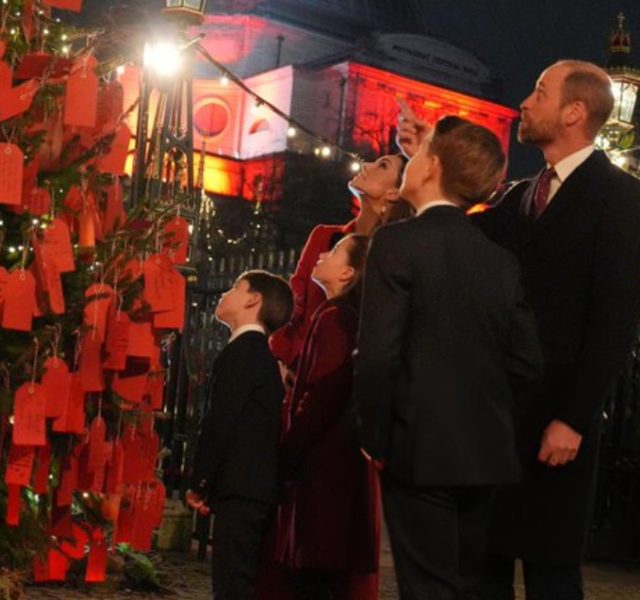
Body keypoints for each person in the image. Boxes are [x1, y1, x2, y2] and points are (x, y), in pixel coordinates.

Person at [399, 60, 640, 600]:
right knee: (482, 568)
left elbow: (614, 320)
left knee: (551, 573)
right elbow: (448, 232)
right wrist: (425, 158)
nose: (525, 104)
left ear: (575, 111)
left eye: (540, 92)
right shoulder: (516, 196)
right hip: (494, 422)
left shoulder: (621, 198)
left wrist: (573, 419)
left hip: (556, 424)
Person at [354, 116, 544, 599]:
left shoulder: (397, 243)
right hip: (486, 452)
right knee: (466, 585)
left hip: (417, 447)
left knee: (426, 587)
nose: (409, 162)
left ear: (431, 166)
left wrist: (376, 438)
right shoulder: (499, 260)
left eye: (418, 155)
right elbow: (526, 363)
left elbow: (378, 355)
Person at [275, 233, 379, 600]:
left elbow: (320, 394)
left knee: (316, 580)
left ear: (349, 272)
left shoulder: (336, 318)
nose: (322, 253)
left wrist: (288, 452)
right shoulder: (346, 316)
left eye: (335, 252)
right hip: (334, 465)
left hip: (323, 470)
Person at [188, 270, 294, 600]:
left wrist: (201, 480)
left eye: (236, 287)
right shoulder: (258, 354)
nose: (225, 294)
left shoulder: (243, 353)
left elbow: (221, 422)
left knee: (233, 583)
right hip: (252, 487)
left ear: (253, 299)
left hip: (242, 487)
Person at [269, 154, 410, 372]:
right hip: (300, 368)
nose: (365, 164)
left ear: (394, 192)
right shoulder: (324, 237)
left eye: (382, 166)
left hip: (354, 375)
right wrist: (283, 359)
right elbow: (296, 303)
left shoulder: (394, 253)